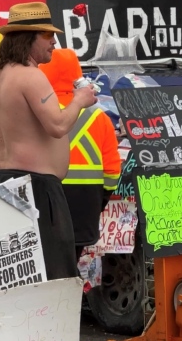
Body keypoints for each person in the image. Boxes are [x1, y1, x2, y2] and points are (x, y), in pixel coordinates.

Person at [0, 3, 102, 341]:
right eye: (47, 35)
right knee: (57, 280)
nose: (53, 43)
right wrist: (81, 101)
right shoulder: (30, 76)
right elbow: (55, 125)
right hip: (36, 189)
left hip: (5, 184)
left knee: (18, 284)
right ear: (29, 38)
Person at [39, 49, 121, 261]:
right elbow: (112, 171)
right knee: (70, 266)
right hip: (85, 205)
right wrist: (98, 202)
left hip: (45, 203)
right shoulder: (99, 117)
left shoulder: (40, 111)